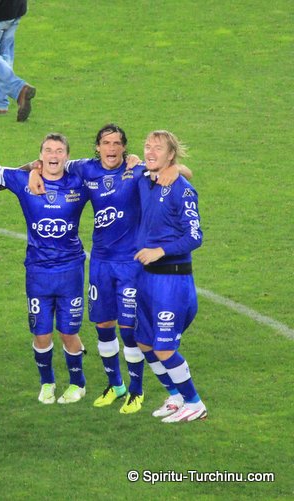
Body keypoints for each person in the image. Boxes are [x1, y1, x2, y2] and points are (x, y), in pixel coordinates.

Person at [28, 124, 192, 414]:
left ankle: (136, 390)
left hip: (130, 264)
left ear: (124, 147)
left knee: (128, 330)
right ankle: (115, 385)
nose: (111, 148)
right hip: (100, 262)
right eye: (106, 143)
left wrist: (176, 168)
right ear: (98, 147)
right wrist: (34, 170)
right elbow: (50, 163)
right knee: (103, 326)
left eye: (117, 143)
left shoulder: (137, 170)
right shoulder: (84, 169)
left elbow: (183, 174)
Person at [0, 134, 90, 405]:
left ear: (66, 157)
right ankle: (47, 383)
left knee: (68, 332)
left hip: (70, 270)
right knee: (41, 333)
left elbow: (111, 174)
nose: (53, 155)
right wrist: (31, 169)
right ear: (40, 155)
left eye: (59, 151)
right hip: (38, 272)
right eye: (48, 150)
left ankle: (78, 384)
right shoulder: (23, 181)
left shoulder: (79, 183)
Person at [134, 130, 206, 423]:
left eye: (158, 148)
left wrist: (160, 251)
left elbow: (195, 236)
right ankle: (175, 396)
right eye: (147, 146)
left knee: (164, 348)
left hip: (172, 282)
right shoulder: (144, 177)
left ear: (171, 154)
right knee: (144, 342)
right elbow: (135, 164)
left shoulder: (182, 189)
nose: (150, 152)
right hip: (147, 279)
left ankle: (195, 403)